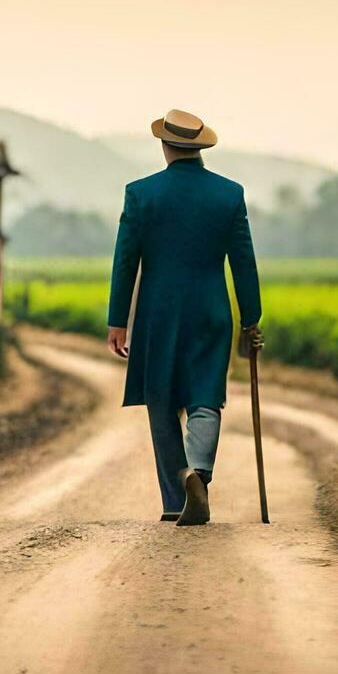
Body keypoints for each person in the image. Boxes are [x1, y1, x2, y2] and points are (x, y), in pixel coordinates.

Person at [106, 108, 262, 526]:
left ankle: (176, 498)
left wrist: (117, 321)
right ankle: (199, 473)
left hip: (158, 311)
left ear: (165, 146)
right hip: (212, 310)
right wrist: (252, 319)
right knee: (205, 397)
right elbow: (243, 263)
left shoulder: (141, 194)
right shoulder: (229, 194)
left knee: (161, 400)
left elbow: (126, 261)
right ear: (199, 148)